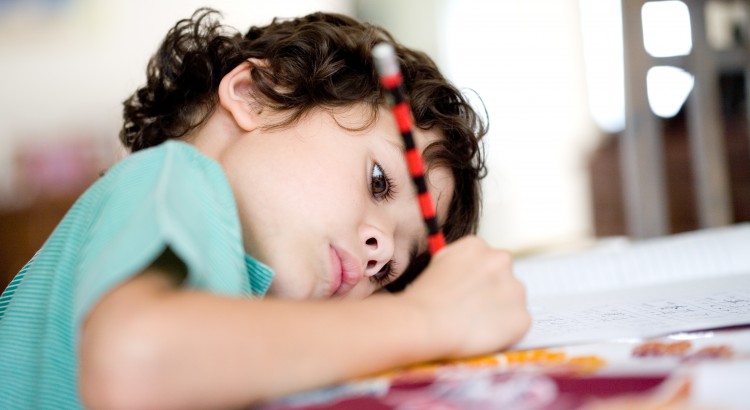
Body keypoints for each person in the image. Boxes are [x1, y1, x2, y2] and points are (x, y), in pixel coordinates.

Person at [0, 8, 530, 410]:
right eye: (378, 181)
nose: (381, 251)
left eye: (395, 270)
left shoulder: (239, 296)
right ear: (255, 94)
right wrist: (425, 317)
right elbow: (133, 362)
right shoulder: (175, 178)